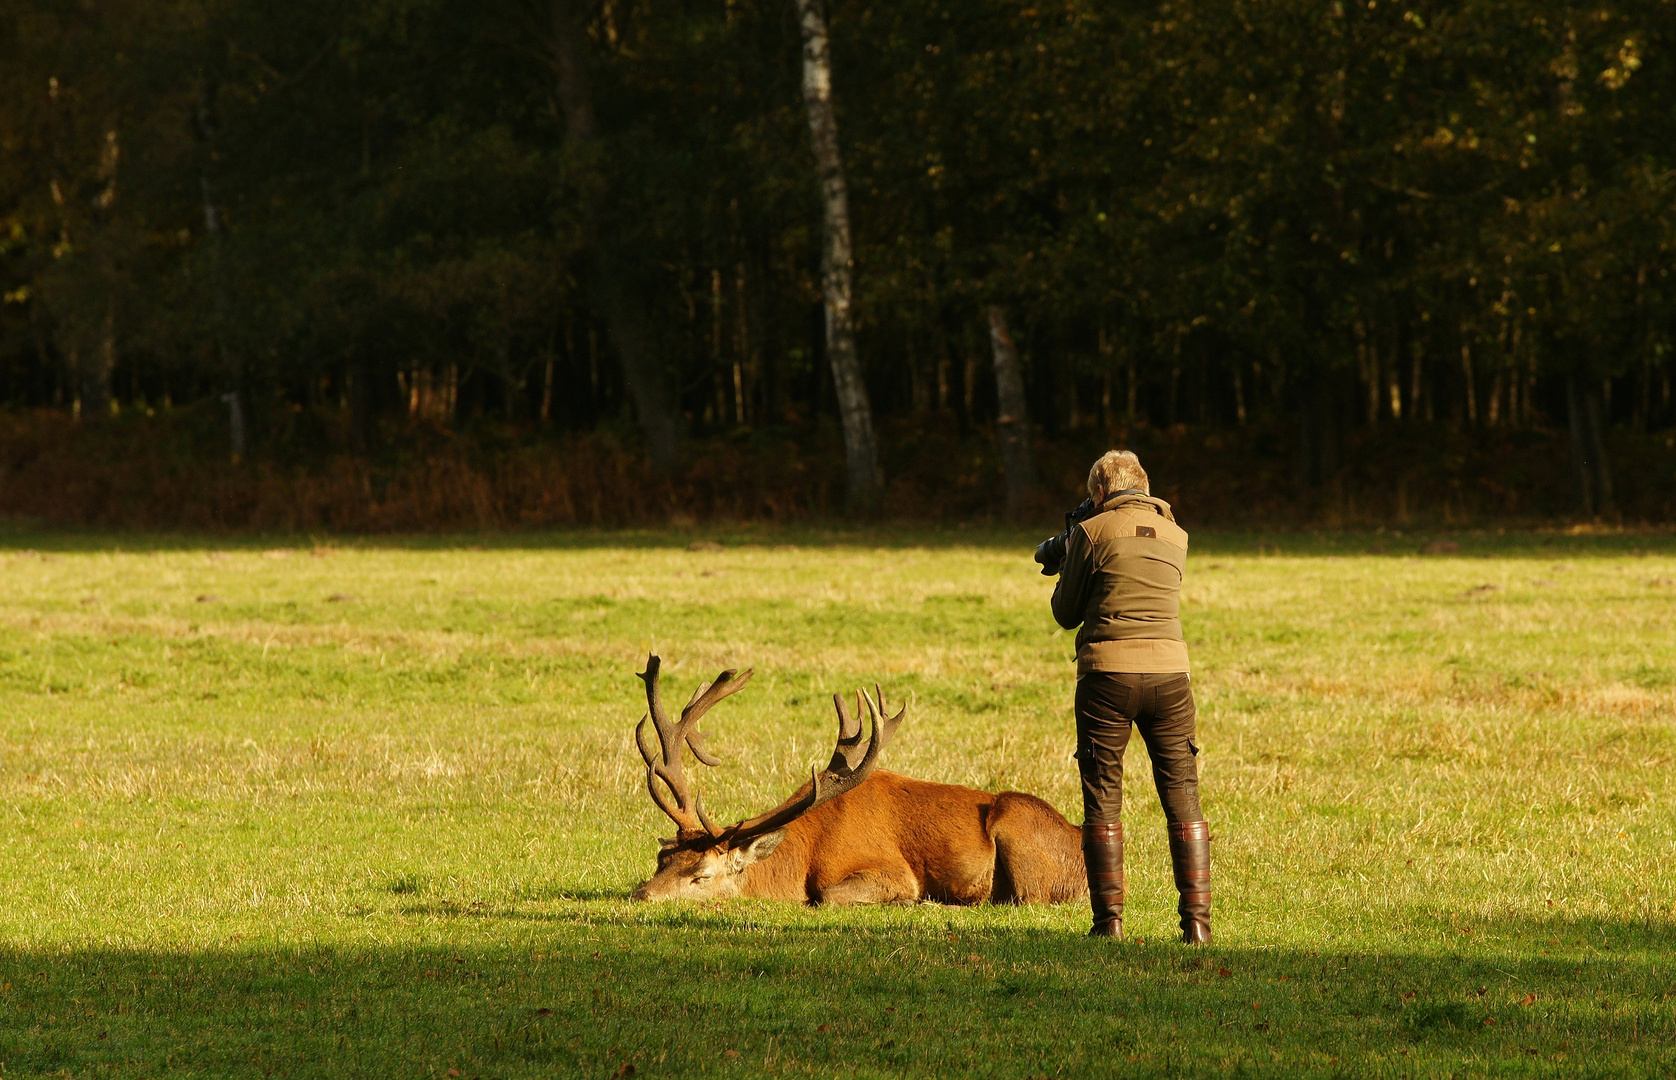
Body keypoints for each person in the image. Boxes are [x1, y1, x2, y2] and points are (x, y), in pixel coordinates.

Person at [1050, 450, 1211, 943]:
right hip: (1171, 678)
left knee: (1103, 799)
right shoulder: (1177, 536)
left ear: (1099, 492)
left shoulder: (1090, 533)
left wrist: (1066, 561)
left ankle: (1109, 925)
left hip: (1107, 677)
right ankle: (1197, 927)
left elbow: (1066, 612)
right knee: (1183, 798)